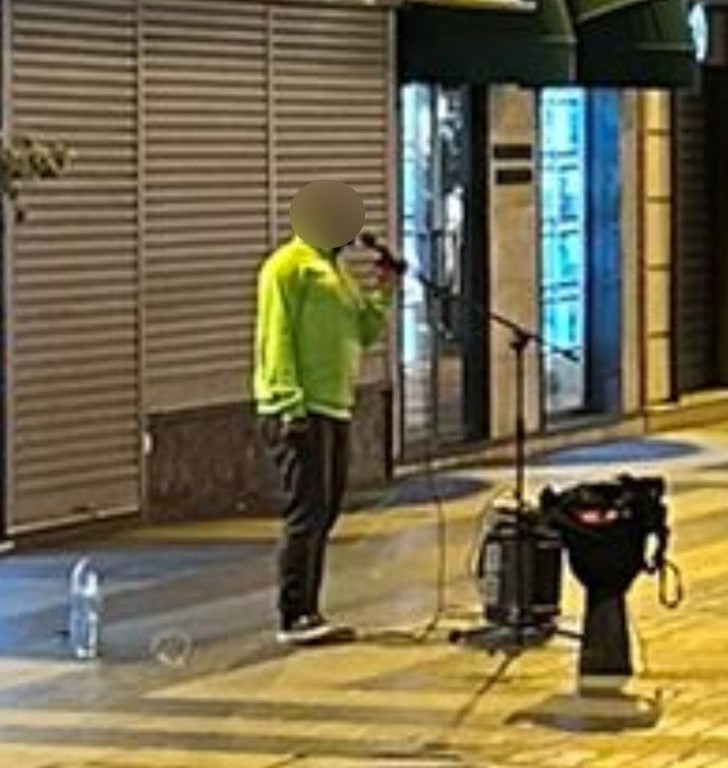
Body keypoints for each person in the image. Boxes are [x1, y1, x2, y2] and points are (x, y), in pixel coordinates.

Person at [253, 182, 399, 646]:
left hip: (335, 404)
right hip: (300, 408)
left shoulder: (337, 272)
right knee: (307, 511)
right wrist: (288, 403)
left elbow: (363, 331)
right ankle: (294, 614)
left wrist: (385, 291)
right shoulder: (287, 266)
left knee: (327, 509)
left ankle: (310, 609)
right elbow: (275, 336)